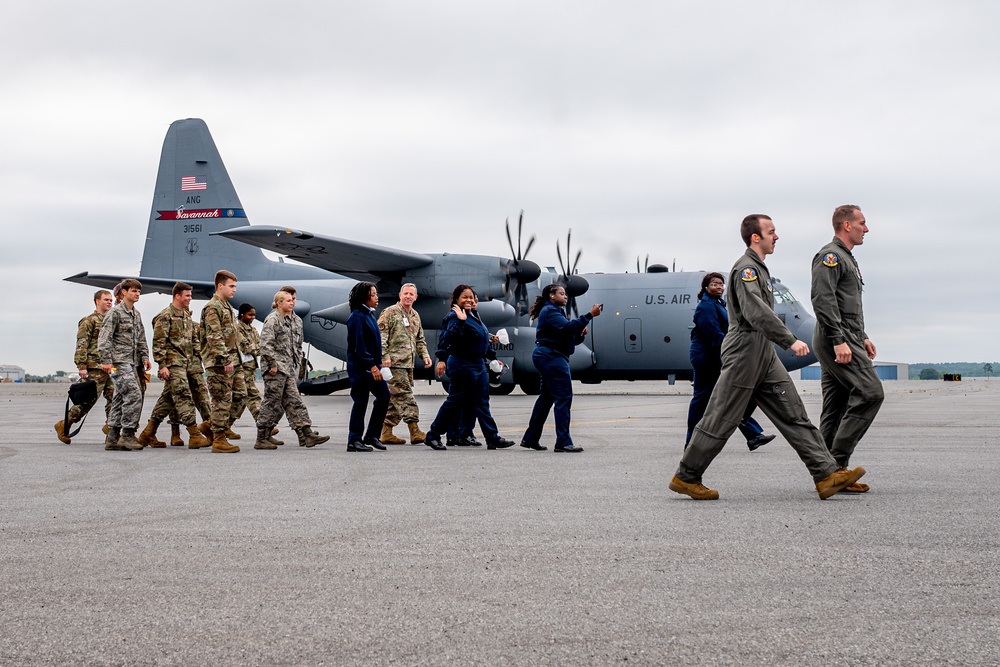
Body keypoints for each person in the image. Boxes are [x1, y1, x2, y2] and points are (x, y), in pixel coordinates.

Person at [669, 214, 866, 501]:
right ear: (755, 237)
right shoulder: (746, 269)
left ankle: (826, 474)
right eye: (771, 232)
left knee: (794, 413)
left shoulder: (760, 269)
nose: (777, 237)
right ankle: (687, 476)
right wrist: (788, 339)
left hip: (763, 353)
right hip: (745, 352)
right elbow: (755, 310)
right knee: (720, 417)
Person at [810, 204, 884, 492]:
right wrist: (839, 340)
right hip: (835, 338)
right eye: (863, 223)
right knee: (871, 393)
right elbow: (823, 299)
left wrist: (862, 335)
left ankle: (828, 474)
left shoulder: (846, 258)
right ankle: (836, 466)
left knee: (836, 405)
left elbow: (847, 304)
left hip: (845, 335)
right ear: (847, 225)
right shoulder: (830, 256)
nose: (867, 229)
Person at [686, 272, 776, 451]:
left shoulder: (718, 304)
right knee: (703, 398)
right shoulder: (706, 306)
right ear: (705, 287)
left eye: (721, 284)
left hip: (715, 354)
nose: (718, 287)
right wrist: (732, 352)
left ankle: (753, 435)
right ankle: (691, 442)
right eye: (714, 284)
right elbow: (713, 334)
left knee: (728, 396)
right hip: (707, 357)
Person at [424, 285, 516, 452]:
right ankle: (433, 435)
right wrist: (442, 358)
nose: (469, 300)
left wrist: (493, 358)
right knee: (454, 401)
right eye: (464, 297)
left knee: (482, 402)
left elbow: (480, 340)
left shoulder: (475, 316)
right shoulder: (454, 317)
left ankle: (492, 437)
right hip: (461, 364)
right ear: (456, 300)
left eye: (472, 297)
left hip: (478, 364)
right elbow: (448, 338)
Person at [520, 284, 602, 453]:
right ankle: (563, 441)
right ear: (551, 295)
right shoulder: (551, 311)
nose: (565, 296)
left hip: (550, 356)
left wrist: (579, 332)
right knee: (563, 397)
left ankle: (530, 438)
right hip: (552, 357)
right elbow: (567, 328)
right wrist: (589, 316)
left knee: (546, 399)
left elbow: (568, 335)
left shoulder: (555, 311)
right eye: (562, 293)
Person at [138, 282, 212, 449]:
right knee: (182, 394)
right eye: (187, 296)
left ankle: (148, 432)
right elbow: (159, 343)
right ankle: (194, 434)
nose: (190, 298)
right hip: (172, 363)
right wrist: (162, 365)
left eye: (190, 295)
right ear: (177, 296)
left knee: (169, 398)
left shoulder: (186, 316)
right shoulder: (165, 317)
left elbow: (193, 341)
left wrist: (199, 360)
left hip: (189, 363)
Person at [254, 291, 330, 450]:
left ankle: (306, 435)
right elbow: (265, 346)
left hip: (289, 368)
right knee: (271, 402)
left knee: (294, 401)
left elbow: (297, 344)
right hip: (275, 369)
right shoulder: (273, 320)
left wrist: (298, 365)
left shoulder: (296, 320)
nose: (292, 303)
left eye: (292, 300)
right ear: (279, 303)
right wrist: (272, 364)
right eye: (288, 301)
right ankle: (262, 437)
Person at [55, 289, 115, 444]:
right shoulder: (89, 321)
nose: (109, 302)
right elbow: (82, 345)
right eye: (106, 300)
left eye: (111, 300)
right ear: (97, 301)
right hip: (95, 367)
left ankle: (112, 432)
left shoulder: (111, 321)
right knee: (87, 402)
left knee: (115, 398)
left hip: (111, 367)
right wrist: (82, 366)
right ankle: (64, 424)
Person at [98, 278, 151, 451]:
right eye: (133, 291)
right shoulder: (115, 313)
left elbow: (141, 337)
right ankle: (127, 435)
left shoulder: (136, 314)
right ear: (123, 293)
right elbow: (104, 338)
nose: (137, 294)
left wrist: (145, 357)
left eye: (139, 291)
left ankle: (112, 437)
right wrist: (106, 361)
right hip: (117, 363)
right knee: (134, 395)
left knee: (120, 397)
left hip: (132, 362)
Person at [378, 283, 433, 445]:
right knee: (405, 396)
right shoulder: (390, 313)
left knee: (396, 399)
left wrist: (425, 355)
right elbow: (381, 335)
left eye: (411, 294)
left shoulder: (415, 315)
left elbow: (419, 339)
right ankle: (414, 430)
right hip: (394, 364)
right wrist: (384, 356)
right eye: (405, 293)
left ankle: (386, 432)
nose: (408, 296)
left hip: (408, 364)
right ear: (400, 295)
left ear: (416, 297)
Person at [198, 270, 246, 453]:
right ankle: (218, 439)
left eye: (235, 286)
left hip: (234, 360)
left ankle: (212, 425)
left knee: (241, 395)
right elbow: (214, 336)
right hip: (219, 362)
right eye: (231, 286)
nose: (234, 290)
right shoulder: (213, 307)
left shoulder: (226, 307)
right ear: (220, 286)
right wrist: (225, 358)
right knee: (221, 400)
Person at [346, 282, 391, 452]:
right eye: (373, 294)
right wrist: (371, 366)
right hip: (361, 368)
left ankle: (372, 435)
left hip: (373, 366)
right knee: (360, 402)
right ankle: (354, 440)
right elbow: (359, 346)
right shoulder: (357, 317)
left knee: (384, 397)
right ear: (364, 297)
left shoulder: (369, 315)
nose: (377, 297)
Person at [234, 303, 283, 446]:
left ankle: (224, 427)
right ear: (242, 314)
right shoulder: (237, 329)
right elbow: (246, 347)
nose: (253, 318)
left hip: (250, 369)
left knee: (242, 400)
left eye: (254, 315)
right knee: (252, 396)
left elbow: (258, 346)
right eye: (250, 315)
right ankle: (265, 427)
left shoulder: (253, 330)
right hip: (240, 369)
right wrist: (260, 348)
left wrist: (259, 348)